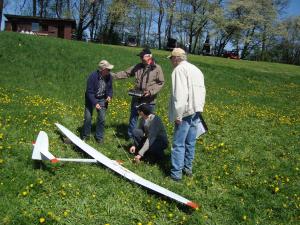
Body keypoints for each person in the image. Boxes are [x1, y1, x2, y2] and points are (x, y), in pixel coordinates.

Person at [168, 48, 206, 181]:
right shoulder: (196, 69)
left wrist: (178, 114)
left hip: (185, 111)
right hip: (196, 109)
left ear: (176, 58)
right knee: (190, 142)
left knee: (178, 143)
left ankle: (176, 175)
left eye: (171, 58)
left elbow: (180, 93)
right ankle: (187, 169)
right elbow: (203, 91)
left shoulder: (179, 70)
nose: (171, 61)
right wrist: (199, 108)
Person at [113, 48, 165, 140]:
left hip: (149, 100)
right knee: (133, 117)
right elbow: (126, 73)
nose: (141, 58)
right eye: (140, 56)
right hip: (137, 97)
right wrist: (113, 76)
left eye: (142, 56)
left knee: (148, 120)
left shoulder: (157, 68)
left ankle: (147, 140)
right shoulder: (138, 66)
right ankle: (131, 137)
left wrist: (150, 92)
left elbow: (160, 83)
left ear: (149, 56)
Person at [81, 60, 114, 143]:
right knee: (88, 117)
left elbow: (110, 88)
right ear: (102, 69)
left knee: (102, 118)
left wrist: (109, 96)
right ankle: (85, 136)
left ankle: (99, 137)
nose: (110, 71)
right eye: (108, 69)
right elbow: (89, 92)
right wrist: (95, 103)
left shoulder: (109, 76)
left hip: (102, 98)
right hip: (91, 98)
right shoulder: (92, 77)